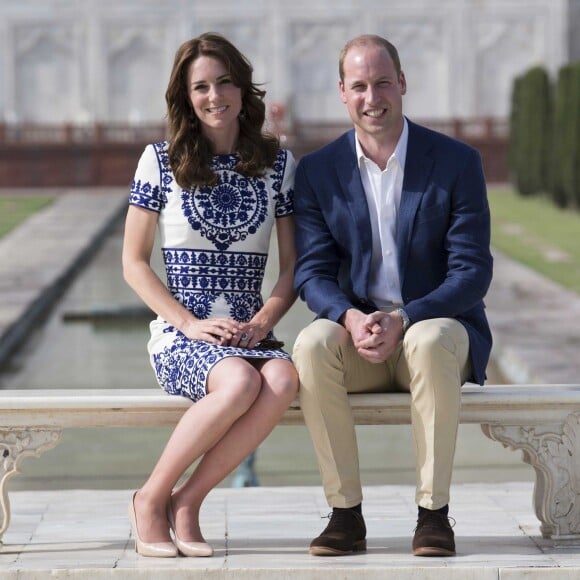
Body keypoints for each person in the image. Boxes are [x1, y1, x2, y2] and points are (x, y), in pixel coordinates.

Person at [292, 34, 493, 558]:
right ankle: (345, 515)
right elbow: (311, 275)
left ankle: (433, 515)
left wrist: (405, 317)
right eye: (358, 85)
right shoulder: (317, 172)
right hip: (361, 339)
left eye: (382, 82)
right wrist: (349, 318)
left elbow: (471, 273)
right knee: (312, 345)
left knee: (427, 340)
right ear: (342, 92)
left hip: (435, 331)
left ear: (402, 83)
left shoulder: (455, 162)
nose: (371, 97)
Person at [122, 32, 299, 558]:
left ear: (244, 90)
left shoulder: (279, 167)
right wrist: (189, 324)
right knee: (241, 379)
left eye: (224, 82)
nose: (214, 95)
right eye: (201, 86)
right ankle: (150, 499)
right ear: (186, 96)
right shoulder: (160, 161)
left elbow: (292, 269)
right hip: (183, 334)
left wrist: (267, 318)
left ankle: (188, 501)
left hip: (249, 331)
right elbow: (133, 264)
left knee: (285, 376)